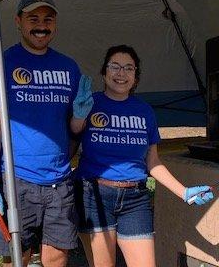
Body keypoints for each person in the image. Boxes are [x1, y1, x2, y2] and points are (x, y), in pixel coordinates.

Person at [70, 44, 214, 267]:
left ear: (136, 77)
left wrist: (184, 192)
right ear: (104, 71)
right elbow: (74, 132)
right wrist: (79, 115)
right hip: (95, 194)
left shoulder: (144, 111)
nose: (121, 73)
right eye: (115, 66)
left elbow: (153, 162)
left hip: (134, 199)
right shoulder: (91, 102)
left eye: (129, 68)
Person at [0, 0, 93, 267]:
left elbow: (74, 129)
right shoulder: (2, 65)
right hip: (17, 181)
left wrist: (81, 116)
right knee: (17, 258)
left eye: (48, 19)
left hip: (60, 181)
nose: (41, 25)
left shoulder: (68, 67)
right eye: (33, 18)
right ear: (18, 21)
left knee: (57, 257)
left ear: (55, 24)